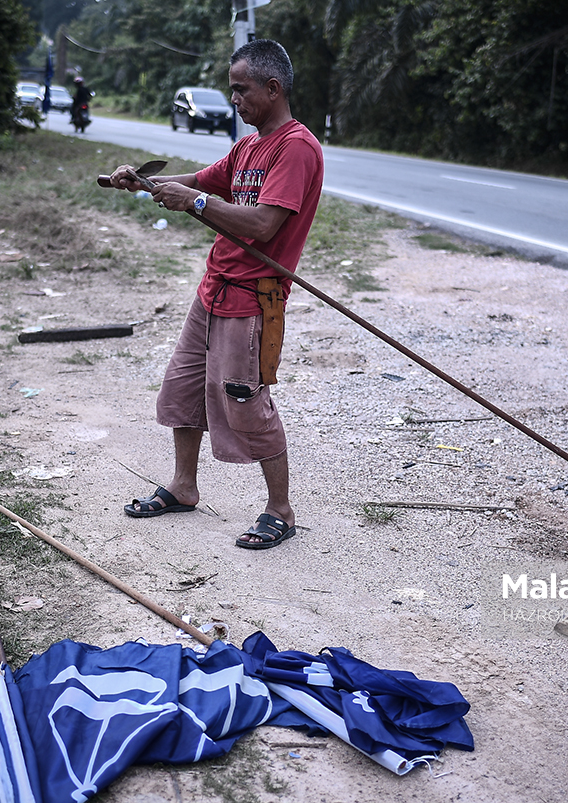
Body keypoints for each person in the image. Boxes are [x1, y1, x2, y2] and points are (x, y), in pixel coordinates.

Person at [106, 40, 323, 550]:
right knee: (183, 389)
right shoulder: (248, 147)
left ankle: (281, 510)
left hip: (254, 297)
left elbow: (266, 225)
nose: (235, 101)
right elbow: (200, 181)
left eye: (241, 90)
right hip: (213, 290)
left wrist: (197, 203)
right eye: (231, 91)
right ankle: (183, 487)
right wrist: (142, 183)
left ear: (273, 89)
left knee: (247, 406)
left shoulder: (296, 148)